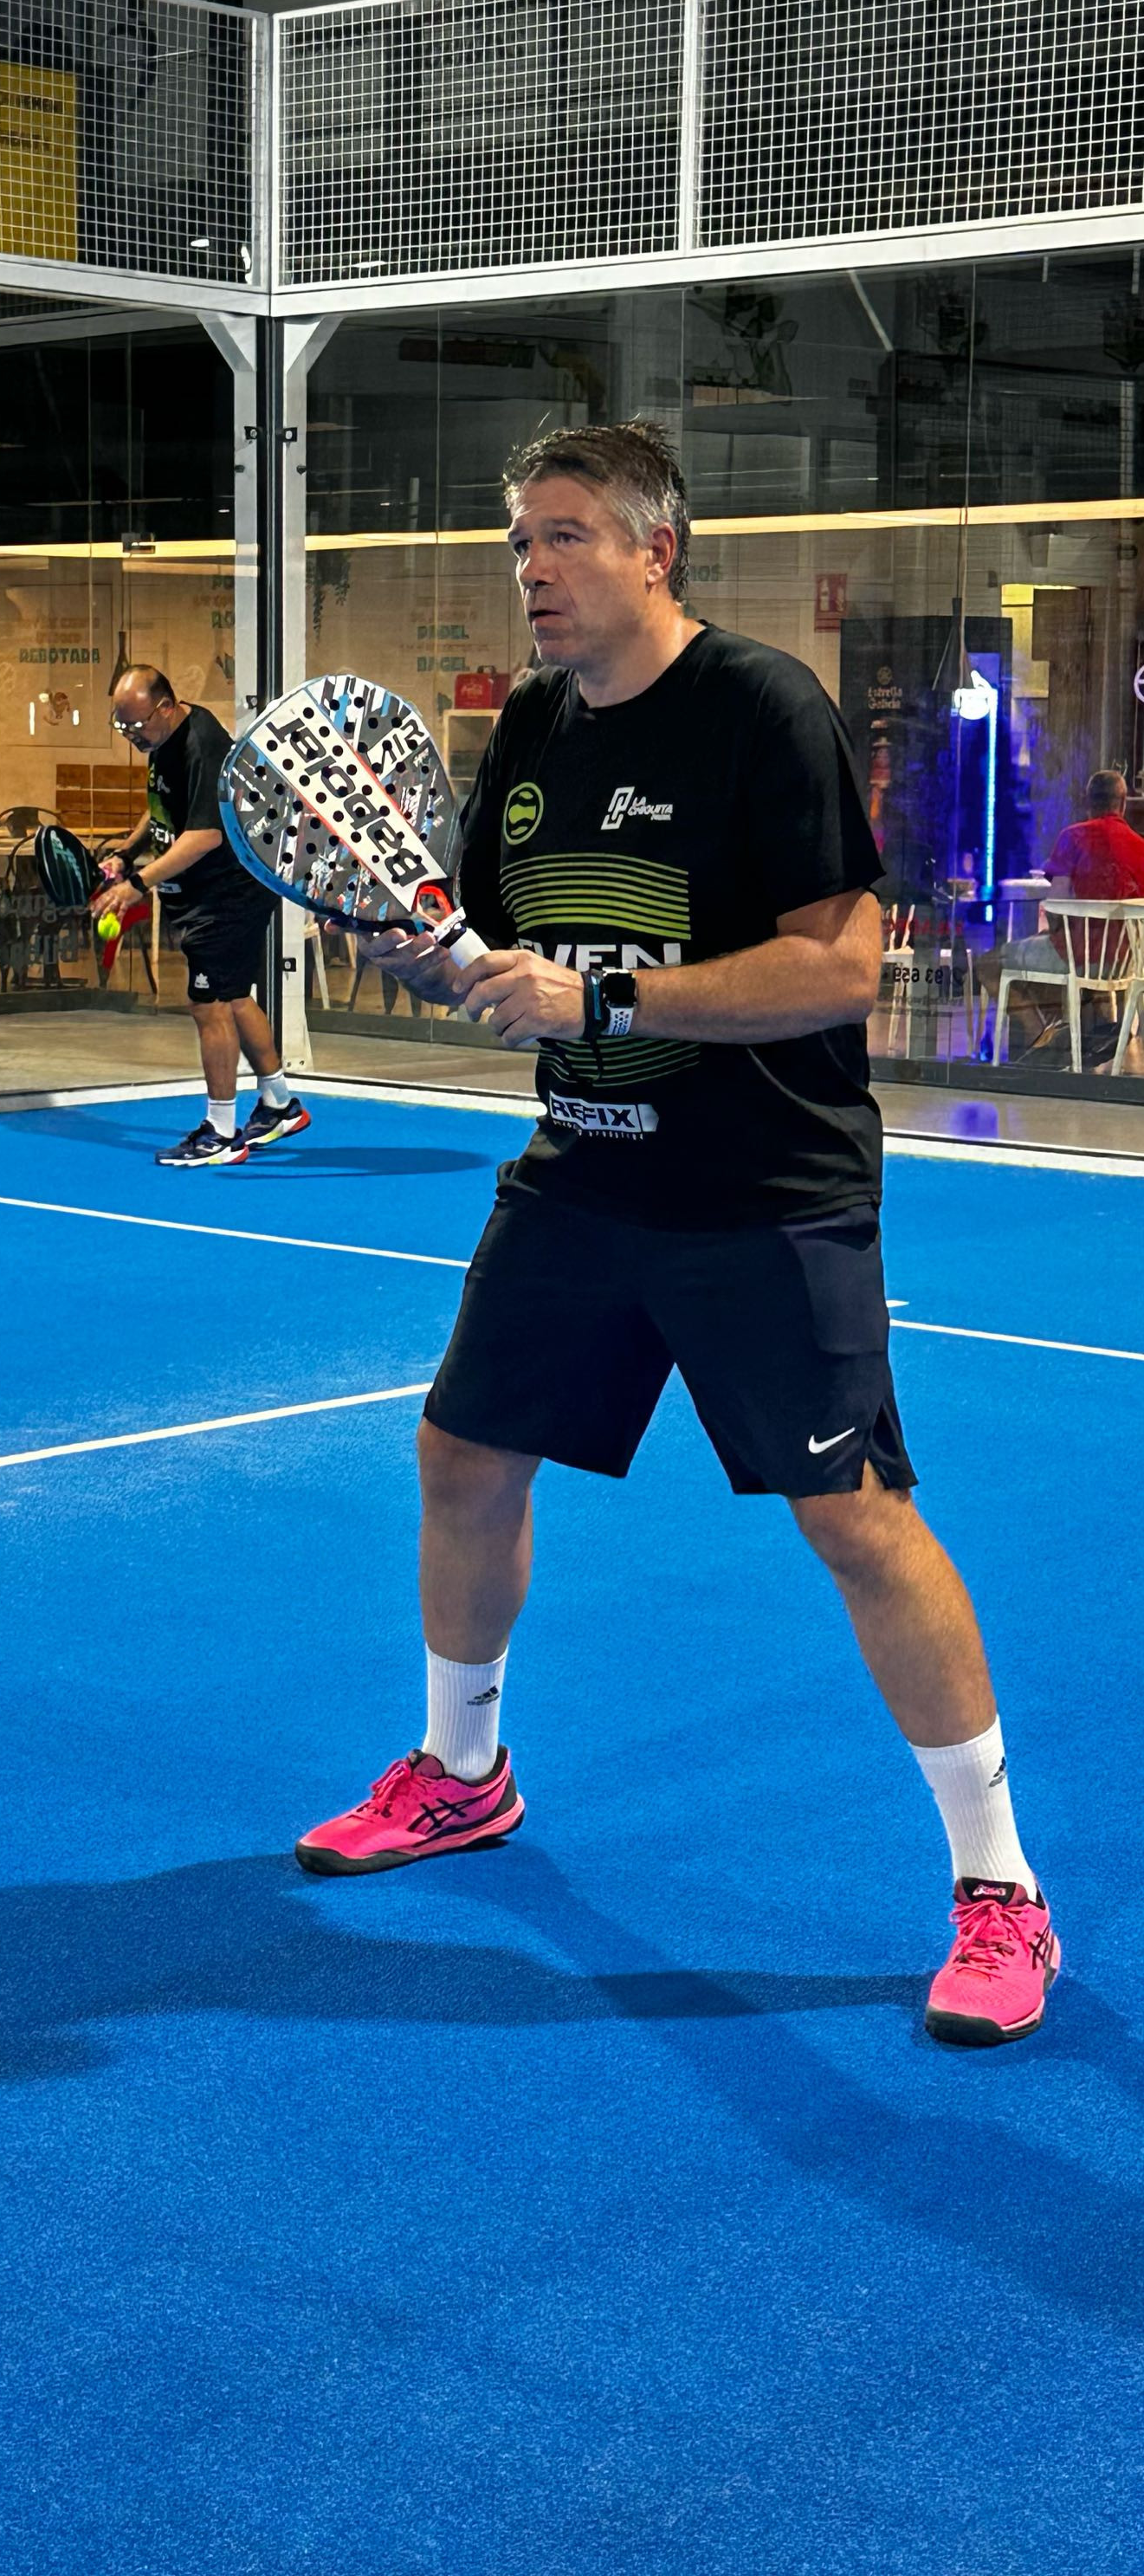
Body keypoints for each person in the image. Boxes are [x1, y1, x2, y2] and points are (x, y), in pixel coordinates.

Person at [295, 419, 1059, 2049]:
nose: (533, 568)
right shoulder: (533, 731)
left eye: (564, 535)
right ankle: (462, 1772)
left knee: (855, 1519)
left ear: (657, 549)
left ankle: (1000, 1887)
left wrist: (605, 998)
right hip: (583, 1173)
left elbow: (841, 967)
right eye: (520, 540)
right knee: (461, 1455)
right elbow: (505, 948)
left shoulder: (762, 709)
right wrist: (448, 966)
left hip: (766, 1194)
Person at [94, 666, 310, 1167]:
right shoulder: (163, 738)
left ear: (166, 707)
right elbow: (166, 807)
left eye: (137, 726)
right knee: (232, 996)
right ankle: (279, 1105)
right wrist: (127, 853)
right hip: (209, 892)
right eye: (122, 726)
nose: (131, 736)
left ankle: (220, 1133)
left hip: (228, 893)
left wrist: (137, 885)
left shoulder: (202, 745)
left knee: (207, 1004)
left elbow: (204, 835)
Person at [975, 767, 1144, 1057]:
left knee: (988, 964)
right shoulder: (1140, 847)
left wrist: (1055, 929)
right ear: (1123, 803)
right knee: (1067, 960)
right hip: (1124, 961)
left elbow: (1055, 906)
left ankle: (1039, 1038)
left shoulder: (1074, 836)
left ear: (1087, 802)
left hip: (1076, 956)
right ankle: (1088, 1038)